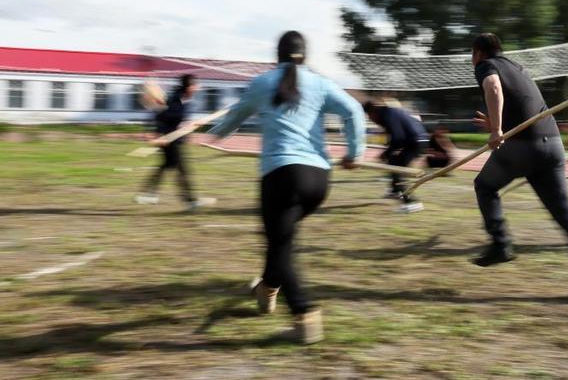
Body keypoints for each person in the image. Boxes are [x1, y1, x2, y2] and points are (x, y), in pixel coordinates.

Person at [209, 31, 365, 344]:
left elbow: (235, 117)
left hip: (281, 176)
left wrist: (214, 133)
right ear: (305, 56)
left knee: (282, 243)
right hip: (318, 180)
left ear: (276, 56)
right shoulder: (321, 83)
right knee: (280, 239)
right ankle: (266, 290)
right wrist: (354, 152)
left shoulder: (261, 83)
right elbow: (354, 110)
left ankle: (304, 314)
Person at [470, 33, 568, 298]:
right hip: (551, 144)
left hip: (523, 147)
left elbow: (494, 87)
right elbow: (522, 106)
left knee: (484, 186)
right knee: (564, 212)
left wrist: (496, 129)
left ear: (478, 52)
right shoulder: (517, 68)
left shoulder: (486, 66)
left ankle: (500, 245)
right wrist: (497, 125)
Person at [135, 74, 216, 210]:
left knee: (168, 165)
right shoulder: (174, 98)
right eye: (195, 85)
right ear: (189, 86)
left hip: (175, 138)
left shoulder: (185, 99)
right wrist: (158, 134)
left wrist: (191, 125)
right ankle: (189, 201)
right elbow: (160, 115)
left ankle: (148, 194)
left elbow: (179, 119)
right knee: (181, 169)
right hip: (168, 139)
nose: (197, 88)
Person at [363, 100, 428, 199]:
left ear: (373, 111)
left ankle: (409, 198)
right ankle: (396, 191)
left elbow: (398, 138)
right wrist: (388, 151)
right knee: (394, 161)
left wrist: (386, 152)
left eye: (369, 115)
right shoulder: (388, 113)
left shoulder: (388, 115)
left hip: (416, 140)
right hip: (419, 138)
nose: (370, 118)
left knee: (397, 167)